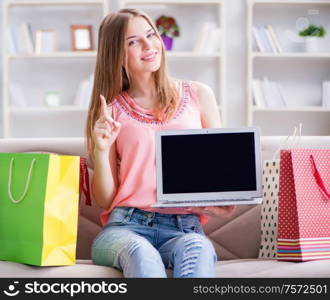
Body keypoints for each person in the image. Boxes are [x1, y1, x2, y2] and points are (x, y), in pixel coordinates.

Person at [85, 8, 236, 278]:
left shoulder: (199, 94)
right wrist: (102, 147)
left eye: (150, 34)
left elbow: (217, 172)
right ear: (116, 55)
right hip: (124, 228)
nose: (149, 45)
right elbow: (105, 199)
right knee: (142, 253)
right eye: (133, 42)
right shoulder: (111, 110)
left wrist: (218, 200)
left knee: (198, 249)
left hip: (184, 228)